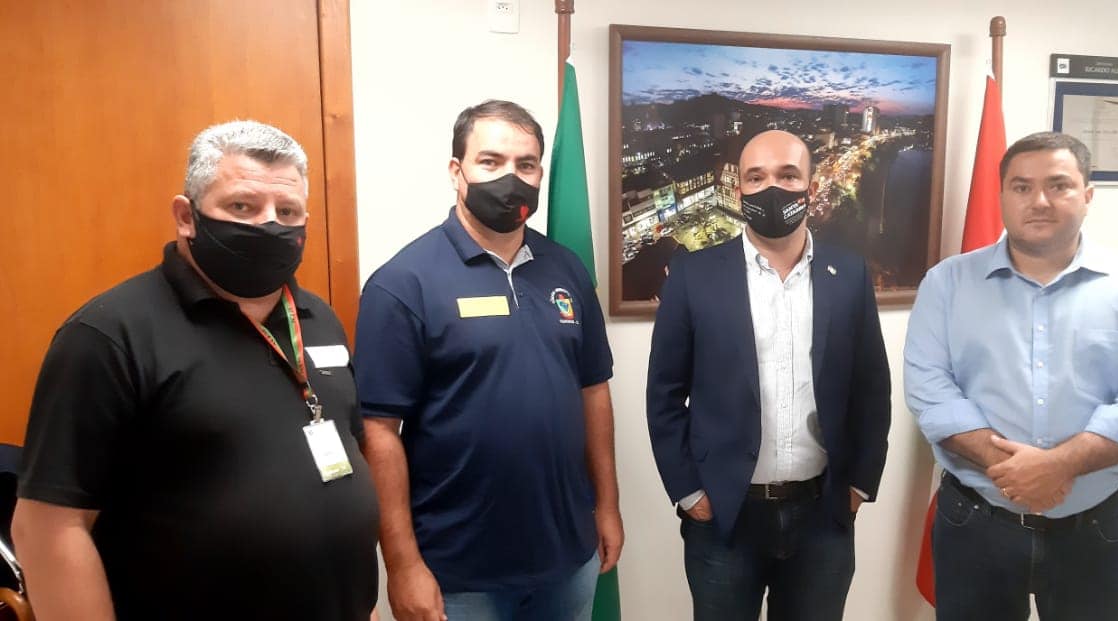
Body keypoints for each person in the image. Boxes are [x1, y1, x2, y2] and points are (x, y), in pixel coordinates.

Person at [13, 120, 380, 620]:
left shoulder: (319, 319)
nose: (269, 225)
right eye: (242, 207)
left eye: (288, 211)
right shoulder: (108, 335)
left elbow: (346, 463)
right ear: (187, 216)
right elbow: (48, 527)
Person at [354, 100, 621, 621]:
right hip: (458, 573)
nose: (511, 179)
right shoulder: (402, 284)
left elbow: (593, 390)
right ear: (457, 171)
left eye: (526, 165)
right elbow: (378, 430)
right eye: (491, 162)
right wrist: (402, 564)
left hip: (568, 558)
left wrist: (607, 506)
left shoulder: (566, 269)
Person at [904, 131, 1118, 620]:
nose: (1038, 201)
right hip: (976, 523)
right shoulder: (947, 282)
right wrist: (1021, 472)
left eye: (1058, 185)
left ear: (1087, 195)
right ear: (1002, 196)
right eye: (1021, 187)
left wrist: (1058, 467)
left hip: (1095, 528)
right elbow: (930, 391)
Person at [646, 130, 891, 620]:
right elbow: (665, 395)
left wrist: (859, 486)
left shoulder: (849, 273)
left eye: (787, 175)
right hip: (725, 515)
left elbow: (871, 388)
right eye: (756, 177)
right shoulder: (693, 275)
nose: (770, 188)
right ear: (739, 190)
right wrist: (690, 494)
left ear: (811, 187)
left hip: (823, 514)